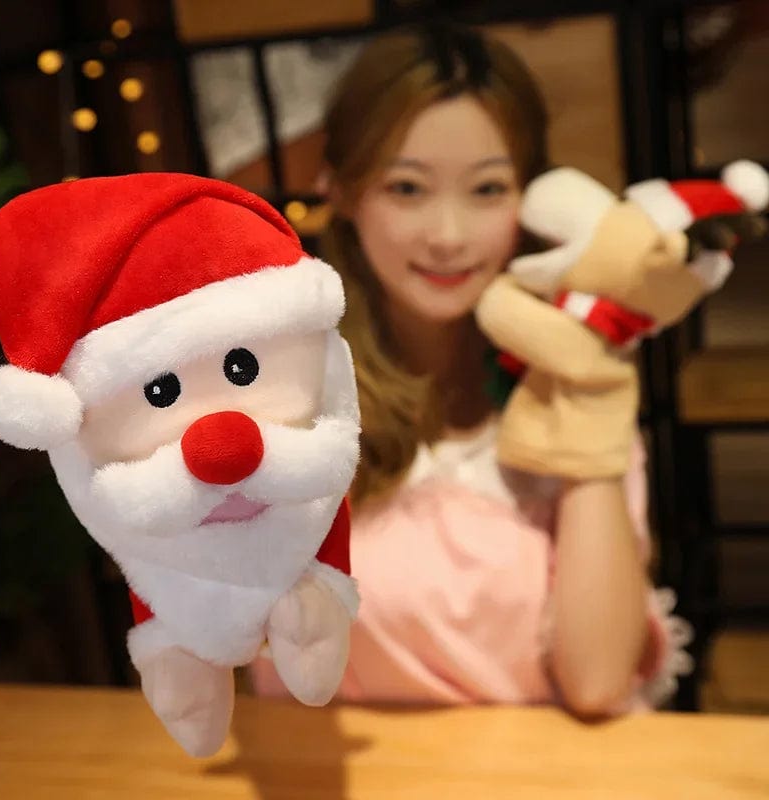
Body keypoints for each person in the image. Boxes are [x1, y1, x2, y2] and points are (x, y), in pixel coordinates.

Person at [251, 21, 692, 716]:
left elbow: (599, 682)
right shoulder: (285, 395)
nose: (448, 236)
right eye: (407, 188)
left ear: (532, 198)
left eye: (487, 189)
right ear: (340, 188)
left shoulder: (570, 375)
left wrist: (588, 397)